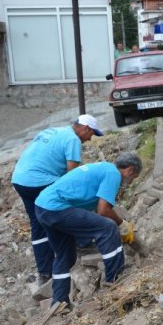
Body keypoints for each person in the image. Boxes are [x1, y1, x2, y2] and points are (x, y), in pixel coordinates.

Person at [34, 153, 142, 308]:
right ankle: (115, 281)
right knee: (108, 228)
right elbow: (103, 210)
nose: (131, 183)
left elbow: (95, 208)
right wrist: (122, 223)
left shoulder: (103, 168)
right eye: (134, 177)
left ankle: (59, 303)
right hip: (56, 207)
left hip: (43, 206)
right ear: (130, 169)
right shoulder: (113, 173)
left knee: (65, 256)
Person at [11, 114, 103, 285]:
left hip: (20, 180)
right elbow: (71, 178)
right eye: (91, 134)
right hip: (39, 181)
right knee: (73, 201)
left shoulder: (54, 131)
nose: (90, 139)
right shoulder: (73, 140)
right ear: (85, 128)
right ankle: (83, 242)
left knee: (37, 225)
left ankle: (45, 273)